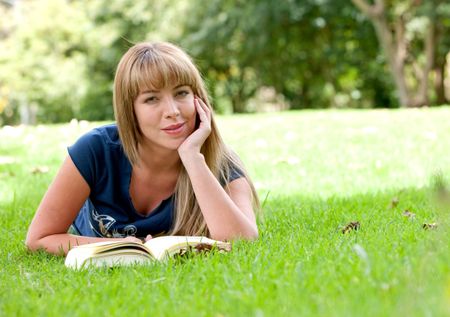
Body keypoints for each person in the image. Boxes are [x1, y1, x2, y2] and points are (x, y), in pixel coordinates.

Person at [26, 41, 259, 255]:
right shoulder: (96, 150)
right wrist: (126, 247)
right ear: (130, 110)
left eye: (181, 93)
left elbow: (242, 242)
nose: (172, 111)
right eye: (151, 99)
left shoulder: (221, 161)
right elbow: (40, 238)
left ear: (198, 100)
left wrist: (193, 158)